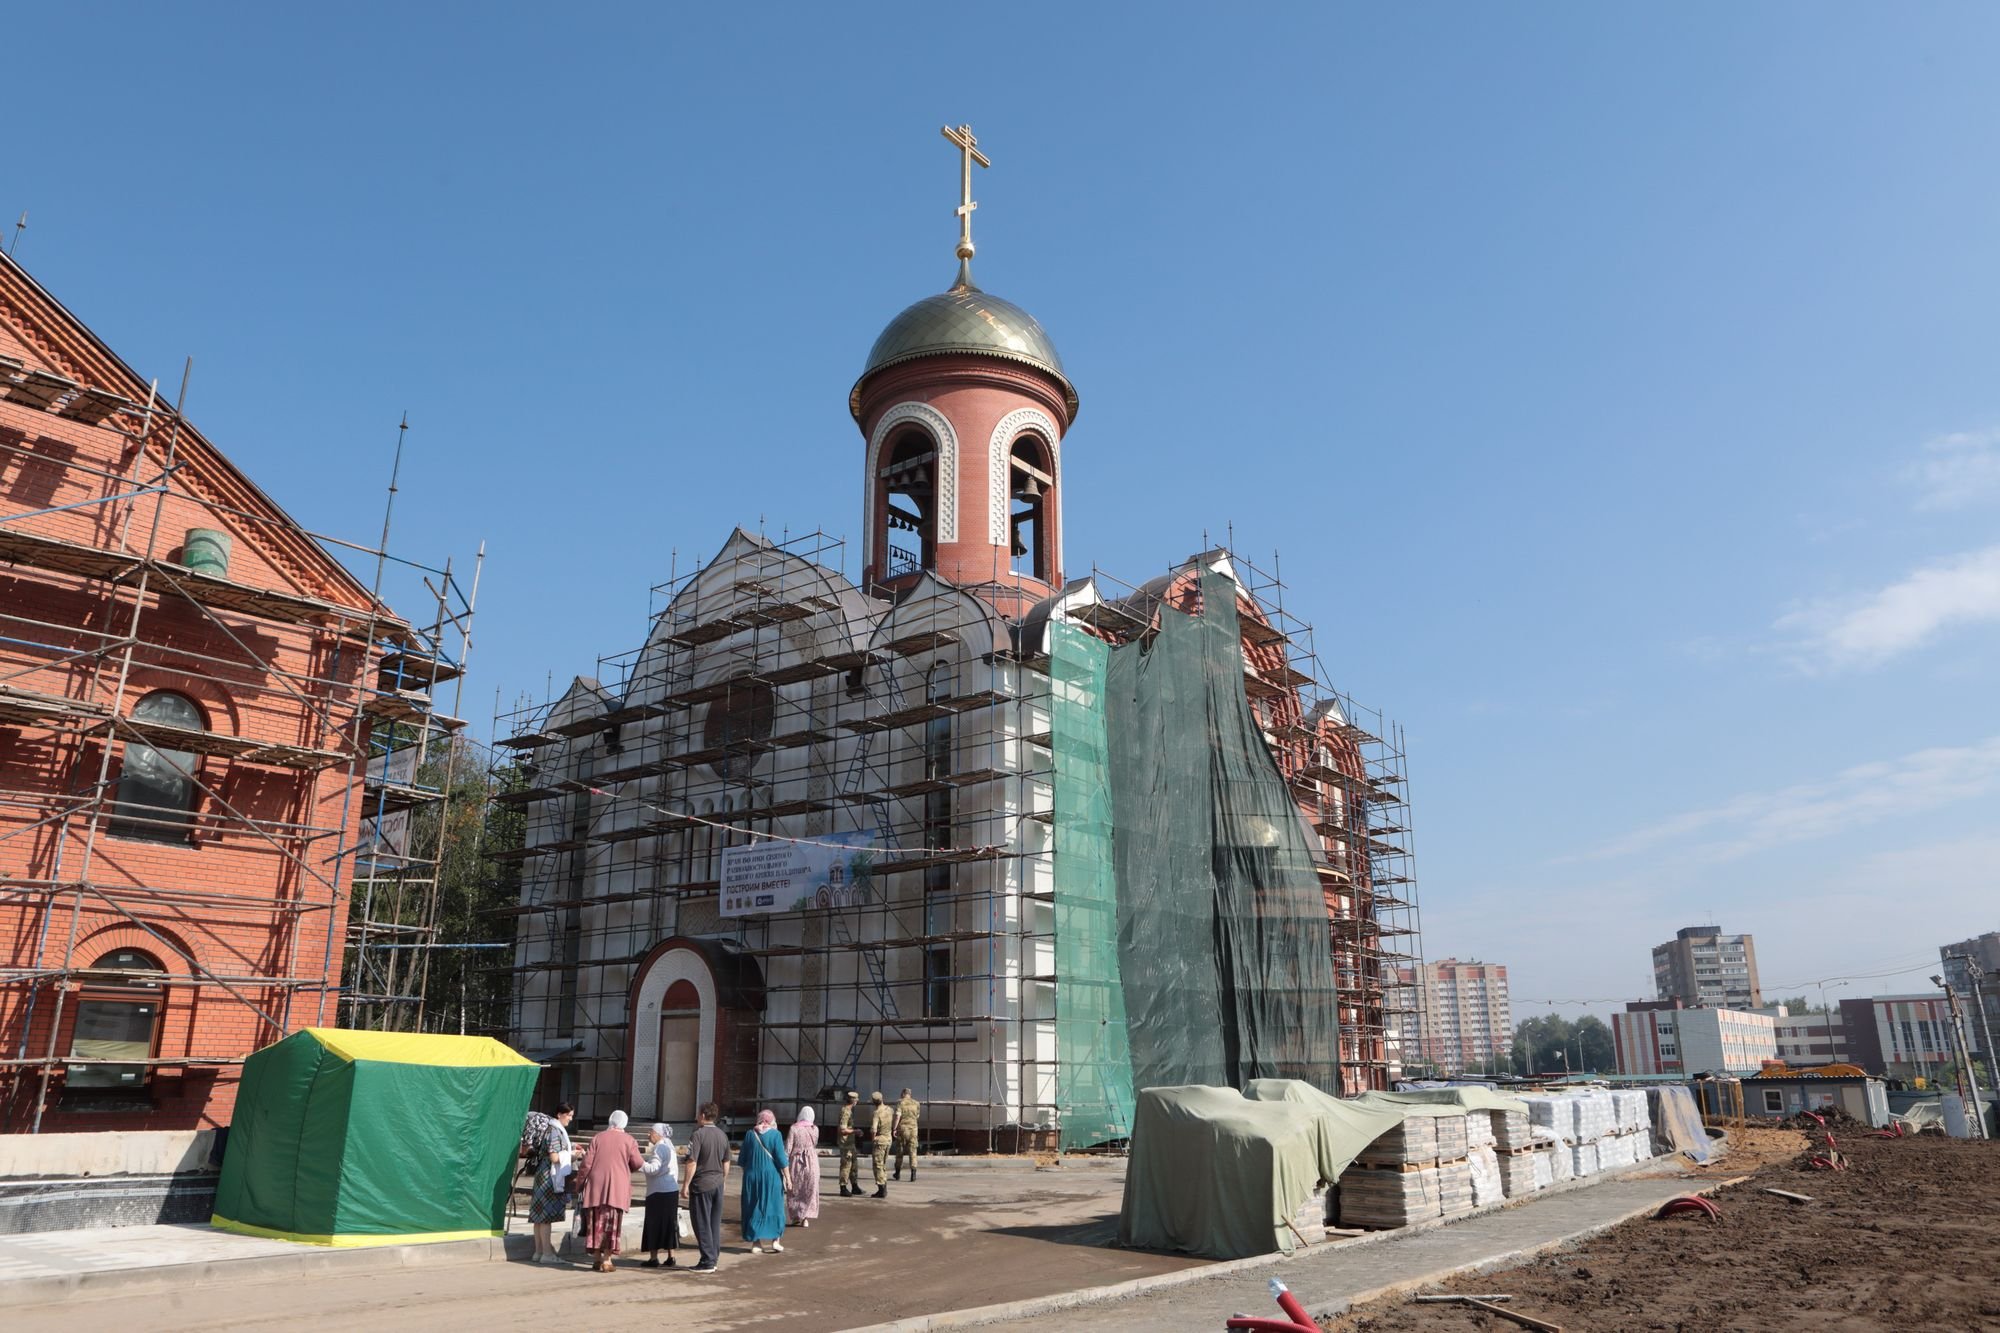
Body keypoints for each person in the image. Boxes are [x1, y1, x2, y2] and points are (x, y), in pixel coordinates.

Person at [573, 1109, 644, 1273]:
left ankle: (597, 1258)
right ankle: (607, 1260)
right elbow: (638, 1163)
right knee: (611, 1223)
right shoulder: (629, 1140)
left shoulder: (598, 1138)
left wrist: (579, 1184)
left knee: (595, 1221)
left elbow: (586, 1164)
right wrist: (625, 1168)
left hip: (596, 1187)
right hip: (617, 1188)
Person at [521, 1103, 575, 1265]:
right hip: (549, 1178)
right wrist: (573, 1155)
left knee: (538, 1217)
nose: (570, 1119)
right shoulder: (554, 1131)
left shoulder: (551, 1129)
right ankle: (547, 1253)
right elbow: (554, 1157)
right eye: (569, 1115)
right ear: (559, 1114)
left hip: (542, 1176)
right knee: (545, 1218)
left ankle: (538, 1252)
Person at [680, 1102, 730, 1274]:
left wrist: (685, 1185)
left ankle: (707, 1260)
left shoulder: (698, 1135)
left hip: (702, 1184)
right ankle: (713, 1258)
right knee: (714, 1223)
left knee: (701, 1222)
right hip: (718, 1183)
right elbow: (726, 1162)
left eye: (697, 1113)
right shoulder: (722, 1135)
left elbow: (691, 1162)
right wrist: (723, 1180)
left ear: (702, 1115)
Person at [738, 1108, 788, 1254]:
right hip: (772, 1177)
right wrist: (788, 1178)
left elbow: (742, 1160)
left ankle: (756, 1242)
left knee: (753, 1207)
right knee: (775, 1207)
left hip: (752, 1177)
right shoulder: (776, 1135)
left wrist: (748, 1175)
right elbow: (782, 1159)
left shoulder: (750, 1134)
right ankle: (775, 1240)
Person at [639, 1122, 681, 1268]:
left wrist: (640, 1164)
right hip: (671, 1191)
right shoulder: (670, 1147)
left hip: (658, 1192)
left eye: (651, 1132)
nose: (648, 1134)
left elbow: (654, 1169)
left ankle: (653, 1258)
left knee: (654, 1224)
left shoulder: (659, 1148)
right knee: (669, 1224)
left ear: (658, 1134)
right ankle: (671, 1256)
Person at [785, 1105, 820, 1228]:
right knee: (809, 1189)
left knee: (795, 1189)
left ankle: (796, 1217)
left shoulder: (794, 1128)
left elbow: (788, 1147)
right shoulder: (815, 1129)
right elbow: (814, 1144)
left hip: (796, 1162)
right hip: (812, 1161)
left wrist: (784, 1163)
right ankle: (805, 1218)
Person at [891, 1088, 922, 1182]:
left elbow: (897, 1116)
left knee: (899, 1151)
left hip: (902, 1129)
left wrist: (894, 1128)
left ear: (903, 1093)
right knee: (913, 1151)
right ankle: (913, 1173)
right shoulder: (916, 1103)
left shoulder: (900, 1102)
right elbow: (917, 1116)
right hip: (913, 1130)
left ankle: (897, 1173)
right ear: (910, 1094)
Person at [868, 1090, 894, 1199]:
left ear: (874, 1102)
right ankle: (884, 1187)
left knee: (877, 1165)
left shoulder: (877, 1113)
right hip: (888, 1139)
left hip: (880, 1140)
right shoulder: (890, 1109)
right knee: (883, 1164)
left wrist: (873, 1139)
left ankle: (881, 1189)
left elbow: (874, 1129)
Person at [836, 1090, 862, 1197]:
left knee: (854, 1166)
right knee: (846, 1165)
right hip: (845, 1144)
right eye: (856, 1099)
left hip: (850, 1143)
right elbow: (842, 1130)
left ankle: (854, 1186)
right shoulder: (846, 1112)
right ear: (853, 1100)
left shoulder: (849, 1111)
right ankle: (843, 1187)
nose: (857, 1101)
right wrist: (855, 1131)